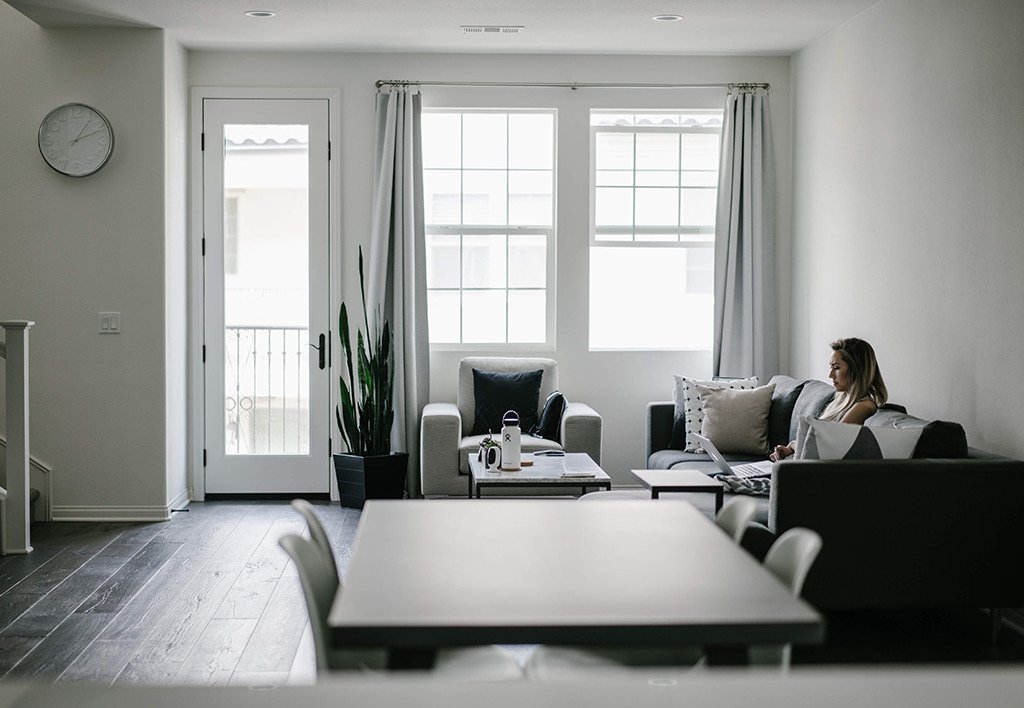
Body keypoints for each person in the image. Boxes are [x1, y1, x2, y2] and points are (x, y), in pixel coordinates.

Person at [769, 337, 888, 461]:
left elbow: (829, 448)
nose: (830, 375)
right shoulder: (841, 398)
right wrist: (789, 450)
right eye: (831, 367)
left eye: (836, 368)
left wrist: (792, 445)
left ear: (857, 369)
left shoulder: (864, 406)